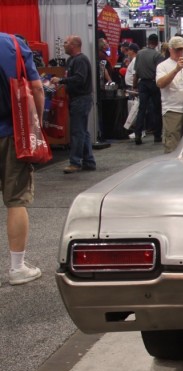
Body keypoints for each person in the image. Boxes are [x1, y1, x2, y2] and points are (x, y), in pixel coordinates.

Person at [0, 32, 44, 285]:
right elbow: (37, 88)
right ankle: (17, 268)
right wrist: (36, 129)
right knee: (16, 199)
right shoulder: (13, 44)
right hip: (12, 132)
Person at [50, 35, 97, 175]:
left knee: (77, 132)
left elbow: (79, 79)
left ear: (74, 45)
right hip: (77, 99)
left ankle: (75, 162)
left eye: (66, 43)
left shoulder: (81, 60)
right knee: (83, 132)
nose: (63, 45)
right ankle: (89, 161)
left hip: (81, 99)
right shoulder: (71, 60)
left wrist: (62, 81)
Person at [133, 33, 164, 145]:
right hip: (154, 83)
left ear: (148, 41)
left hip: (142, 83)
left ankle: (137, 134)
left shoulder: (139, 54)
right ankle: (157, 135)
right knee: (156, 110)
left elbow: (136, 72)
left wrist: (134, 85)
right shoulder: (158, 56)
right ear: (156, 43)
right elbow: (160, 72)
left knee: (142, 109)